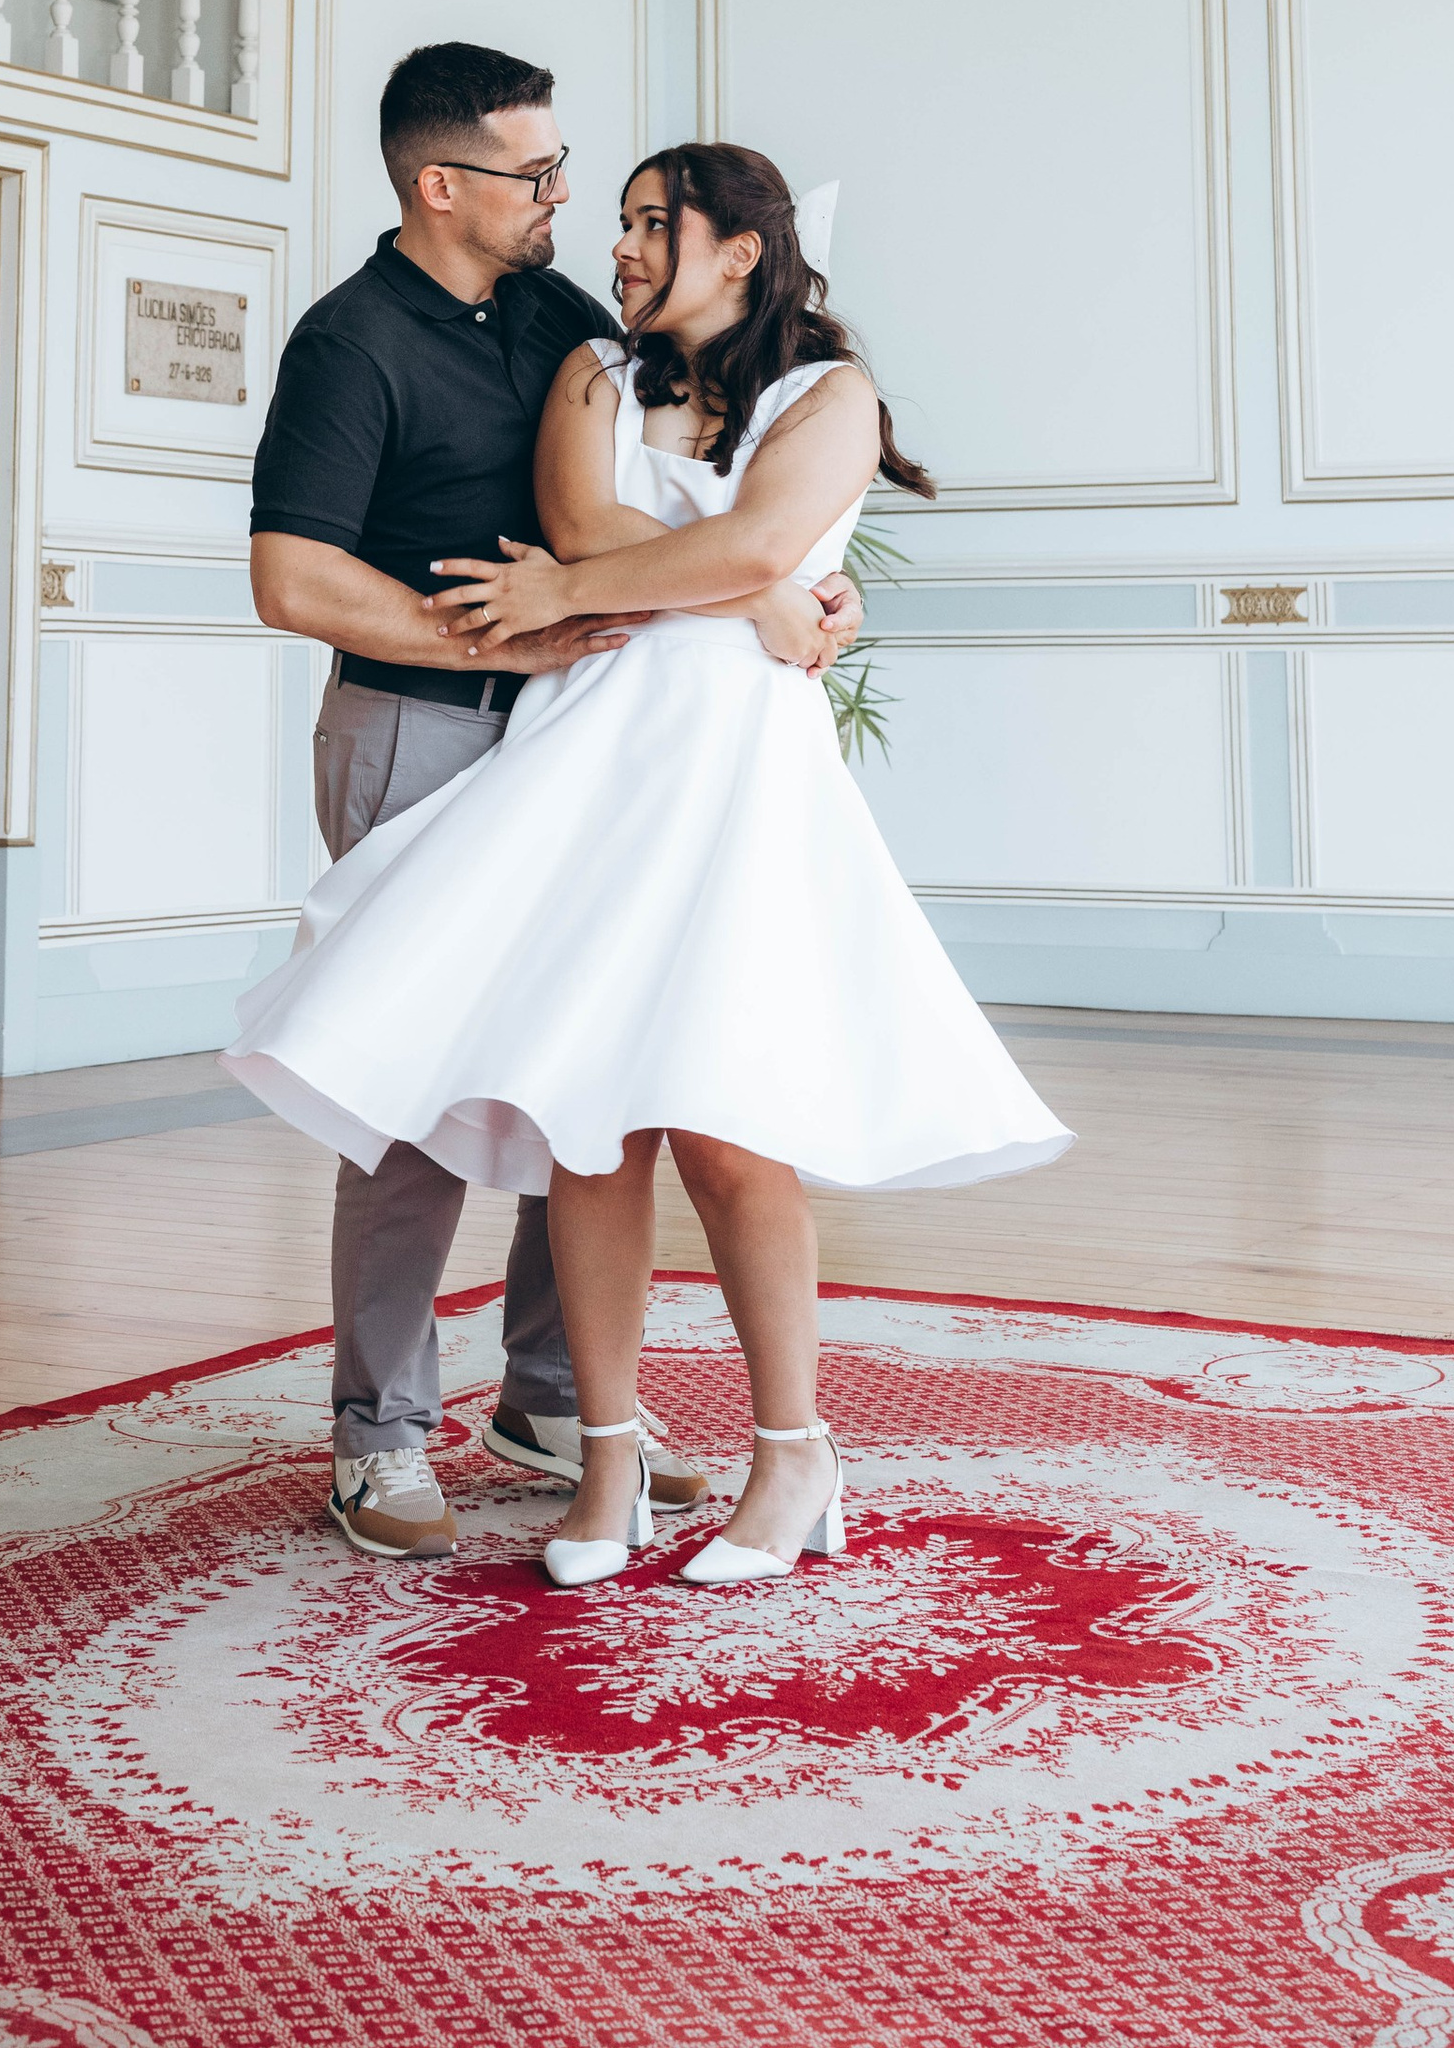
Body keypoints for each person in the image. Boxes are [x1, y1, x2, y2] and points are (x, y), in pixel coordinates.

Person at [230, 141, 1071, 1592]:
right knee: (583, 1122)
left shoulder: (831, 392)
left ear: (741, 246)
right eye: (603, 212)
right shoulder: (585, 371)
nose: (612, 240)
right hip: (579, 765)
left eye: (645, 220)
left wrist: (726, 571)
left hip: (736, 779)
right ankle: (592, 1446)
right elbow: (584, 531)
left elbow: (732, 534)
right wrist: (752, 587)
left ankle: (793, 1450)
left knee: (733, 1126)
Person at [246, 50, 863, 1561]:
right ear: (438, 182)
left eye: (572, 170)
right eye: (538, 175)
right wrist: (505, 629)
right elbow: (292, 579)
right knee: (413, 1075)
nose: (569, 202)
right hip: (418, 723)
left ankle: (545, 1398)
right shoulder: (349, 342)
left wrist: (785, 586)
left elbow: (674, 495)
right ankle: (381, 1434)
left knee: (569, 1066)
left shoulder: (565, 318)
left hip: (575, 739)